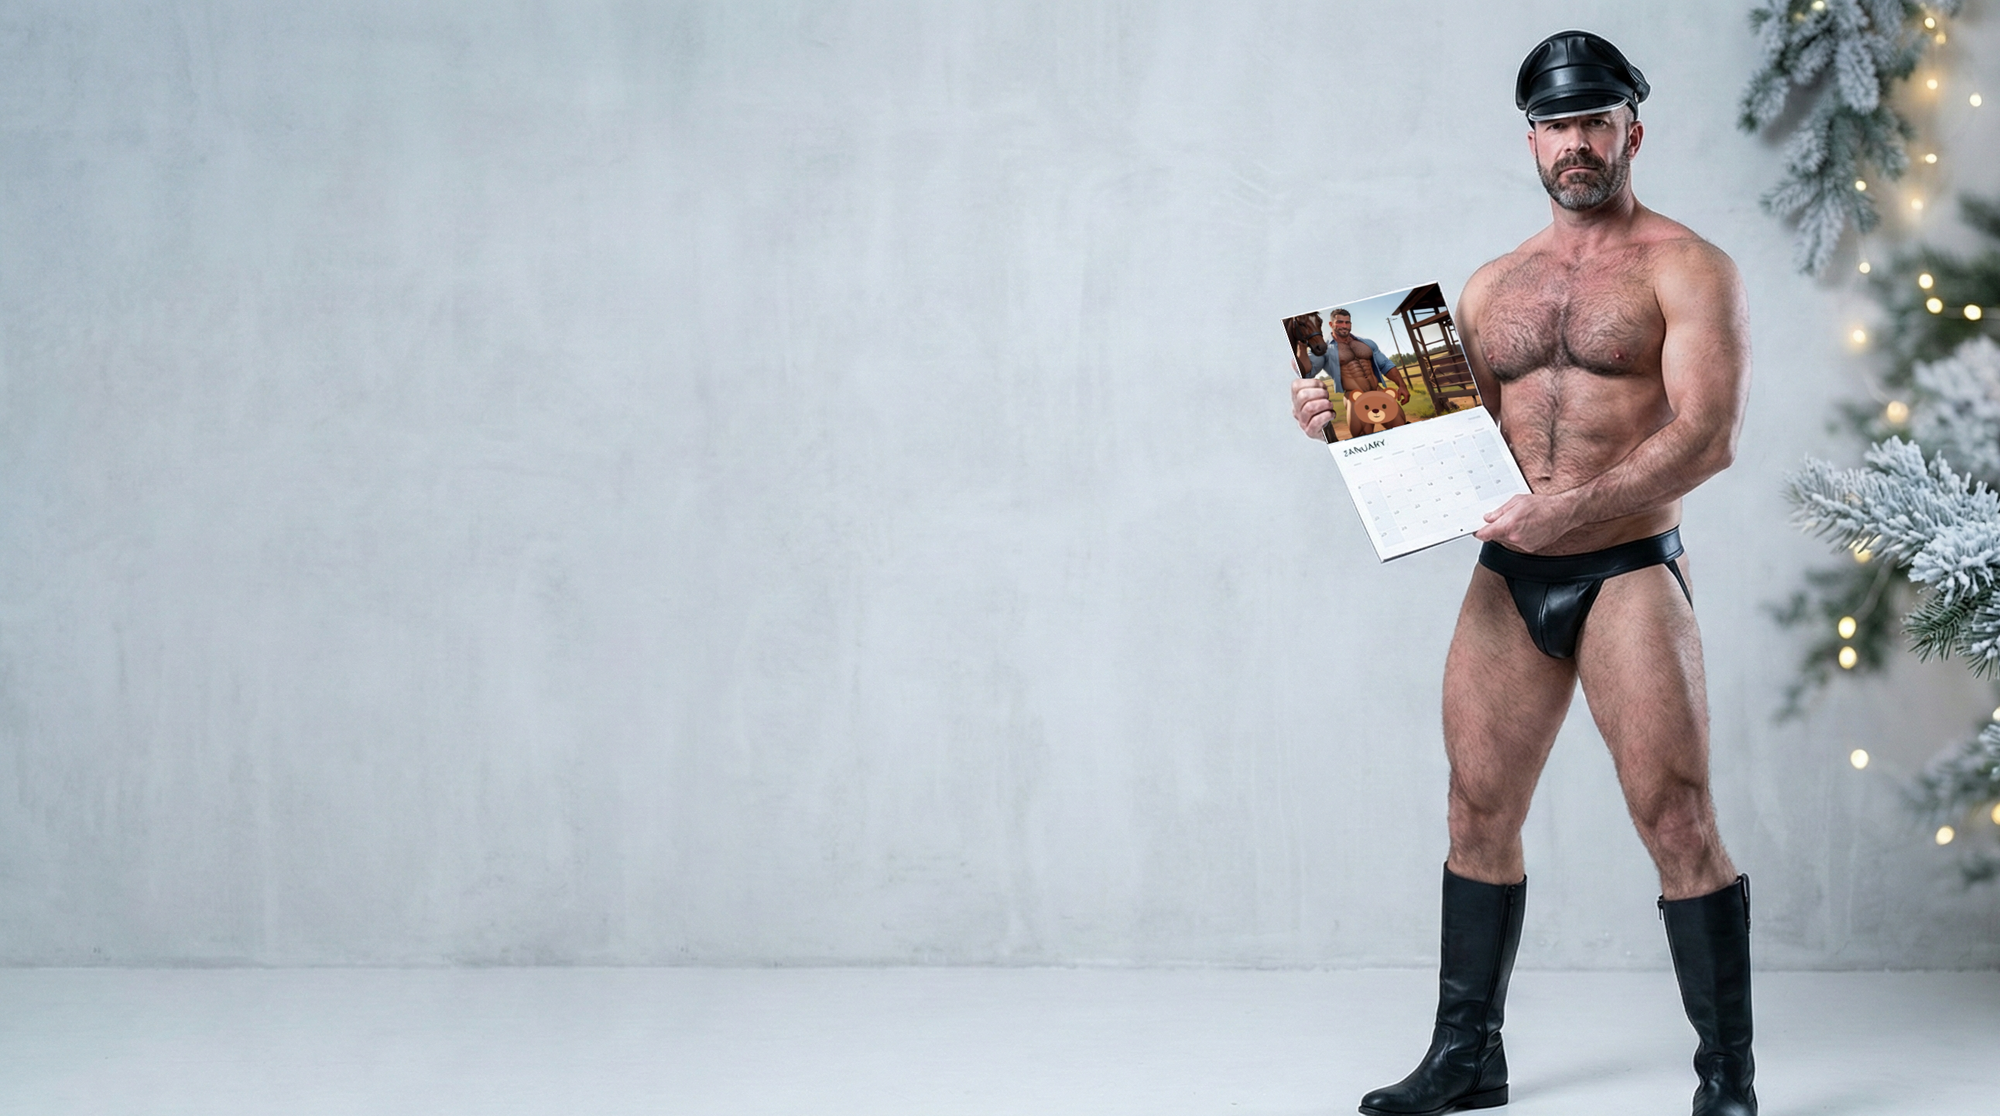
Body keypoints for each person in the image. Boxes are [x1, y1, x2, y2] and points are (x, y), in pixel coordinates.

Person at [1289, 30, 1757, 1116]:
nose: (1574, 142)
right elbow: (1450, 437)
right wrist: (1338, 419)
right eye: (1555, 125)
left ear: (1632, 132)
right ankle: (1467, 1059)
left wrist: (1574, 510)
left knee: (1675, 818)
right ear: (1531, 141)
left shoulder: (1688, 268)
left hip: (1626, 570)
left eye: (1595, 121)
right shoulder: (1491, 285)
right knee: (1474, 811)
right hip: (1509, 578)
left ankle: (1725, 1078)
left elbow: (1709, 436)